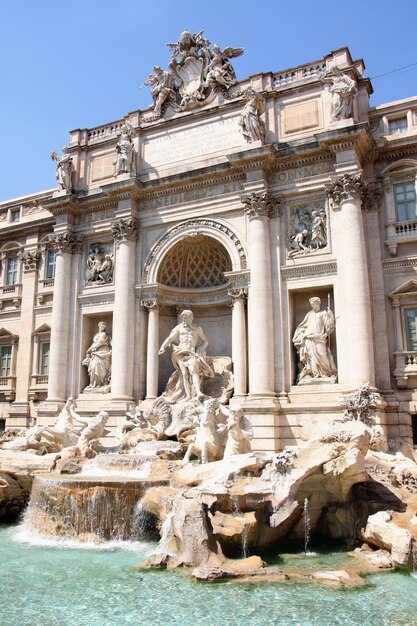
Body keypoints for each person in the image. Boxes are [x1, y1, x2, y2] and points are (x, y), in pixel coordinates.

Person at [159, 310, 214, 401]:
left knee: (193, 370)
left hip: (191, 352)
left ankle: (198, 392)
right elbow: (170, 338)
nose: (188, 319)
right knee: (185, 374)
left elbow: (205, 341)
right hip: (180, 352)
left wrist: (201, 348)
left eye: (190, 317)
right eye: (186, 317)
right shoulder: (179, 328)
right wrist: (162, 347)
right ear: (183, 318)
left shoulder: (197, 328)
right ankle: (188, 395)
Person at [292, 297, 337, 382]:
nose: (311, 305)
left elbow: (328, 326)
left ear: (318, 303)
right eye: (311, 304)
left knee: (322, 353)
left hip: (319, 337)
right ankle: (314, 374)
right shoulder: (310, 314)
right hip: (308, 337)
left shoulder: (323, 313)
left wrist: (330, 316)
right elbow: (303, 326)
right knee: (311, 356)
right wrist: (301, 333)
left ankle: (326, 373)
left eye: (313, 303)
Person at [83, 322, 112, 389]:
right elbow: (94, 343)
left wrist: (90, 349)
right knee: (93, 368)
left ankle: (99, 383)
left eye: (104, 326)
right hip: (95, 353)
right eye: (101, 326)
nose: (102, 327)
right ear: (99, 326)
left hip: (103, 351)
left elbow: (99, 343)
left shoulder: (104, 334)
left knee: (100, 368)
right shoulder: (96, 334)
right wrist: (91, 350)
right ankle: (93, 384)